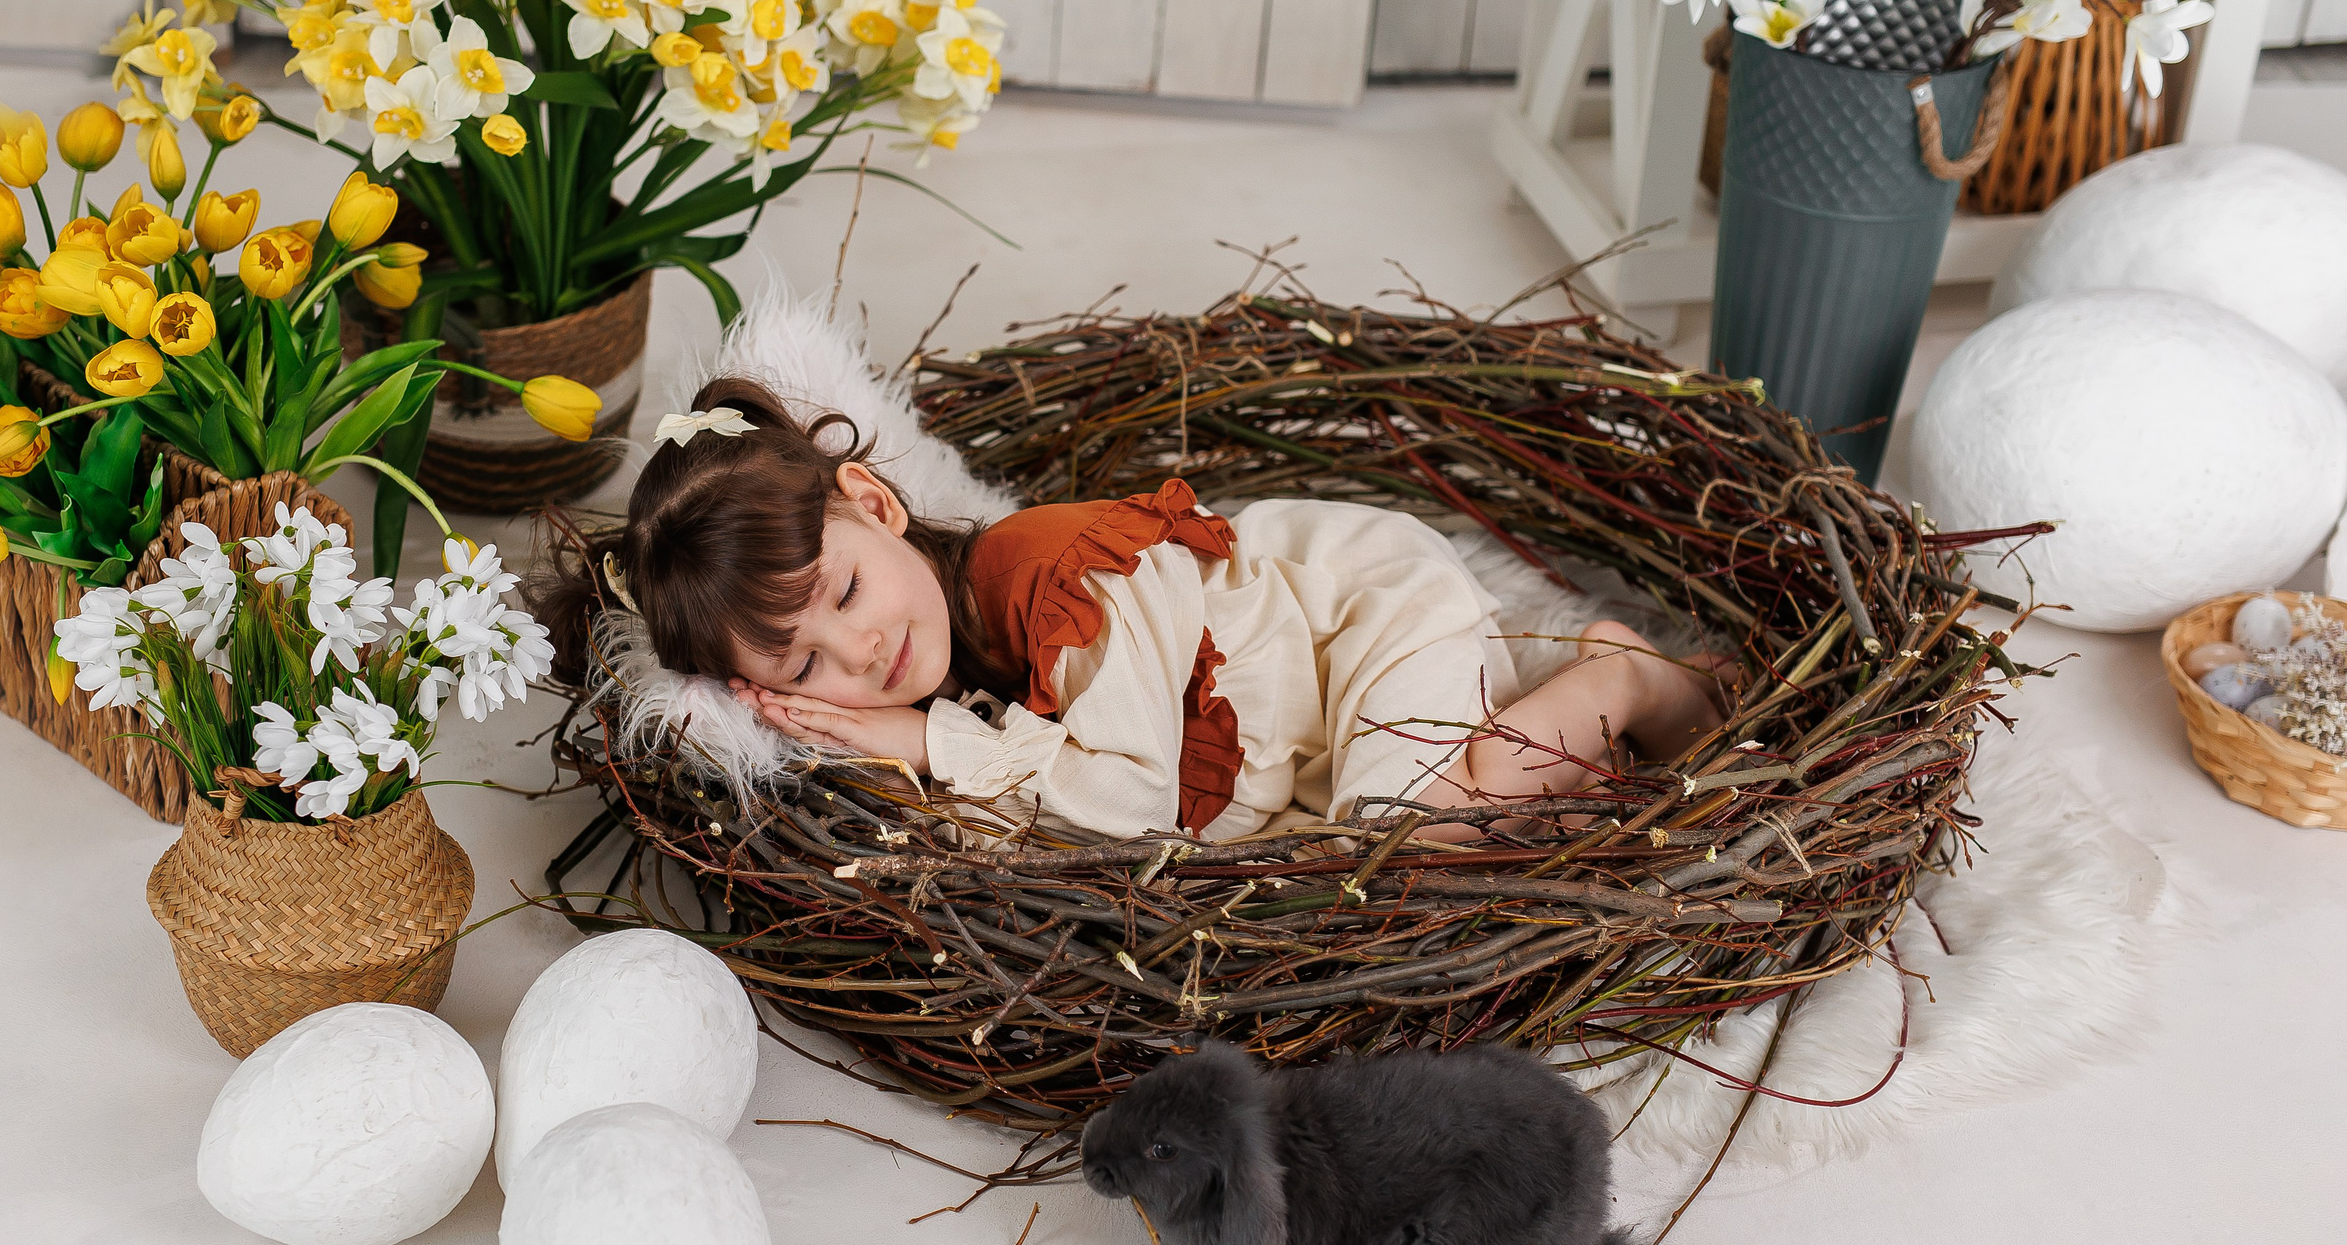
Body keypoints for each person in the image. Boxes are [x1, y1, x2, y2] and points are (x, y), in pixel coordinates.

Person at [537, 378, 1727, 843]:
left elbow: (1127, 802)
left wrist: (927, 742)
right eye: (802, 668)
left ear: (875, 504)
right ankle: (1557, 711)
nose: (861, 651)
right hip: (1300, 708)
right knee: (1376, 838)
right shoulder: (954, 647)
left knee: (1405, 847)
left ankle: (1625, 674)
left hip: (1357, 609)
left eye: (843, 592)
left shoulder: (1055, 579)